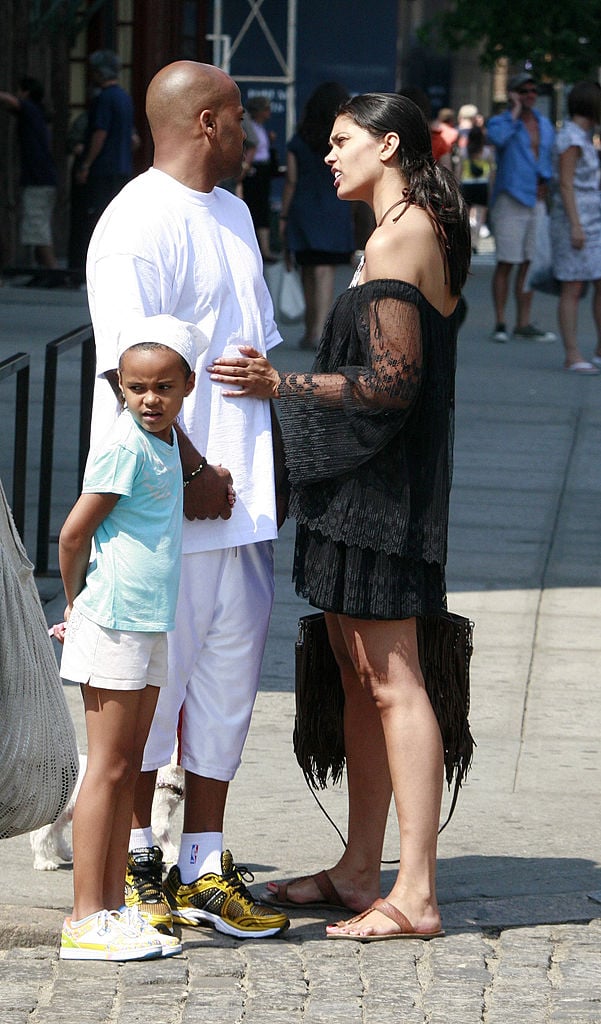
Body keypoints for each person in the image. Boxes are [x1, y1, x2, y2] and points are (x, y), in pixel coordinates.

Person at [208, 91, 471, 940]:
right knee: (360, 680)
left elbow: (394, 383)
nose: (326, 156)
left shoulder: (401, 234)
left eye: (341, 142)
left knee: (393, 683)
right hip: (359, 488)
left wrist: (275, 384)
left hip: (383, 495)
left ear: (387, 144)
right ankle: (362, 869)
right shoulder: (398, 224)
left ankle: (416, 894)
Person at [86, 60, 290, 941]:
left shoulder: (236, 212)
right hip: (165, 509)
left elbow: (253, 352)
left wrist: (268, 463)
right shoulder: (135, 222)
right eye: (240, 115)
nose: (251, 131)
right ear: (206, 122)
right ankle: (141, 866)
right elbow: (129, 370)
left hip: (244, 510)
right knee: (149, 697)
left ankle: (204, 863)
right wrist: (196, 466)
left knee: (224, 692)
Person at [57, 314, 203, 961]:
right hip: (113, 618)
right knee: (109, 769)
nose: (149, 399)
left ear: (187, 385)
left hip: (149, 620)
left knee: (128, 771)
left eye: (163, 387)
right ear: (120, 386)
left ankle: (114, 908)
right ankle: (85, 918)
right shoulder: (124, 443)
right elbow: (72, 534)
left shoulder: (168, 439)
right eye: (136, 387)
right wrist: (75, 601)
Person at [279, 82, 355, 350]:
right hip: (334, 206)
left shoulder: (299, 139)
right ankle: (320, 332)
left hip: (303, 207)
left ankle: (310, 328)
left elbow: (291, 179)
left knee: (308, 269)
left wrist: (284, 217)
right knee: (325, 271)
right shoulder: (342, 141)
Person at [486, 72, 557, 343]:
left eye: (533, 90)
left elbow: (549, 157)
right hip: (511, 198)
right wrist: (514, 112)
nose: (530, 95)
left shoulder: (544, 124)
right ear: (514, 93)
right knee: (506, 261)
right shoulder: (502, 122)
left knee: (530, 262)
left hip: (537, 199)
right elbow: (498, 140)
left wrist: (547, 182)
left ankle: (523, 322)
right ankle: (501, 321)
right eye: (524, 90)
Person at [549, 81, 601, 374]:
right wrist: (576, 225)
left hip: (591, 217)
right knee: (573, 286)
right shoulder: (571, 137)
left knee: (596, 282)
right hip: (576, 220)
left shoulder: (583, 136)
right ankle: (572, 353)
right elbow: (566, 183)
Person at [77, 50, 138, 256]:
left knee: (97, 217)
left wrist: (86, 164)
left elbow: (100, 134)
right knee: (116, 217)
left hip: (103, 167)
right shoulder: (124, 97)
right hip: (123, 166)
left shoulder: (103, 98)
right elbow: (134, 139)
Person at [0, 76, 58, 273]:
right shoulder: (39, 113)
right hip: (43, 176)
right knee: (38, 224)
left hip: (38, 178)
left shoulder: (31, 109)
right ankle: (43, 270)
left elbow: (12, 101)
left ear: (26, 92)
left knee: (37, 226)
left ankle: (53, 270)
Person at [242, 95, 279, 261]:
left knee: (263, 209)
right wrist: (246, 167)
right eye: (266, 110)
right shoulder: (248, 124)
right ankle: (255, 248)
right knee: (254, 208)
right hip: (253, 171)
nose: (269, 114)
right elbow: (252, 145)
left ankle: (264, 249)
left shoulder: (258, 126)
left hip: (262, 170)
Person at [461, 124, 493, 253]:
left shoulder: (464, 151)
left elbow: (459, 170)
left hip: (467, 184)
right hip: (482, 185)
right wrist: (491, 186)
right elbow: (491, 171)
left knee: (465, 216)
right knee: (480, 216)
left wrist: (457, 183)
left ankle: (467, 241)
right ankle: (475, 242)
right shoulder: (486, 152)